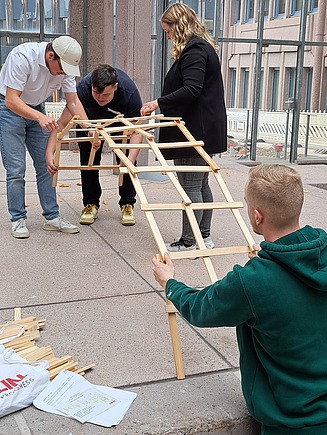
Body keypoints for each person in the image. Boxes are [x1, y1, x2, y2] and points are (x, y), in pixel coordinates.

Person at [152, 164, 327, 434]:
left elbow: (201, 309)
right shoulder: (321, 249)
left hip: (291, 423)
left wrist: (169, 282)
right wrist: (272, 258)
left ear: (257, 216)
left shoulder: (252, 282)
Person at [141, 3, 227, 252]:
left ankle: (190, 240)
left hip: (195, 130)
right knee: (200, 185)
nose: (167, 36)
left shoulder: (194, 50)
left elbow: (191, 89)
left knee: (190, 186)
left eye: (168, 31)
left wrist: (157, 103)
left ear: (179, 27)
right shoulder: (200, 47)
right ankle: (204, 236)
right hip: (203, 127)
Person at [0, 35, 87, 239]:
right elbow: (12, 100)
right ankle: (18, 218)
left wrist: (89, 127)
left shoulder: (64, 66)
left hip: (37, 108)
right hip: (9, 109)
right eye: (61, 69)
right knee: (16, 167)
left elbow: (73, 102)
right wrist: (40, 117)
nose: (63, 74)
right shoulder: (23, 56)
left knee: (47, 165)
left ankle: (52, 217)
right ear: (50, 55)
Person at [46, 64, 142, 226]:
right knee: (88, 161)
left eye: (106, 94)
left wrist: (129, 161)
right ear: (91, 86)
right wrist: (50, 152)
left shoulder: (129, 93)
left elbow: (137, 130)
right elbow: (61, 124)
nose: (100, 98)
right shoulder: (82, 89)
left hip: (119, 124)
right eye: (96, 93)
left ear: (115, 87)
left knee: (126, 159)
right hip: (88, 123)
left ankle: (127, 203)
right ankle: (91, 203)